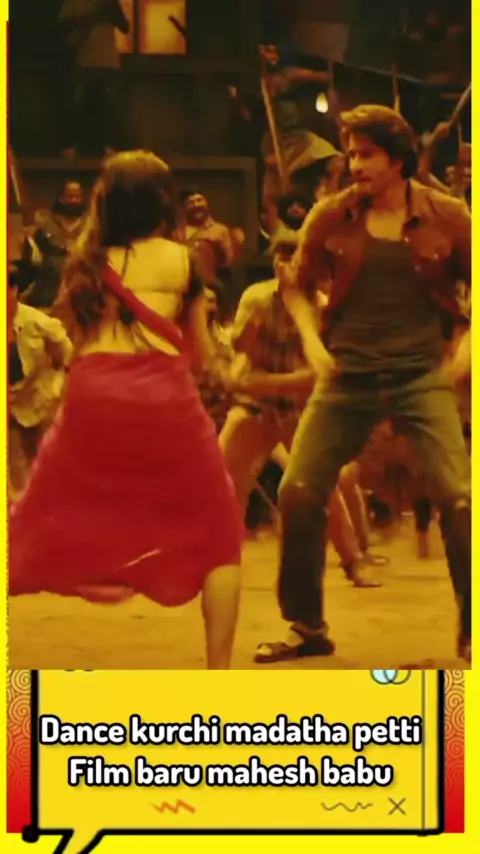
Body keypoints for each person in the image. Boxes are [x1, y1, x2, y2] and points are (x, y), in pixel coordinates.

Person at [9, 151, 243, 671]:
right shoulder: (182, 260)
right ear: (163, 202)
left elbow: (73, 337)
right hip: (164, 394)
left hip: (93, 392)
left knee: (34, 515)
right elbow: (203, 352)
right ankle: (220, 676)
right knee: (221, 535)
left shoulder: (85, 261)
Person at [255, 105, 471, 665]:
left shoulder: (448, 216)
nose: (354, 165)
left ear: (397, 160)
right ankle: (307, 626)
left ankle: (472, 628)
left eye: (366, 154)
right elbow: (295, 287)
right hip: (347, 374)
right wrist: (313, 344)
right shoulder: (332, 215)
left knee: (458, 496)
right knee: (299, 490)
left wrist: (466, 350)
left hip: (420, 373)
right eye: (351, 153)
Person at [221, 233, 384, 588]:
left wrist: (264, 382)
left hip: (299, 407)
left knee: (322, 486)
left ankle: (353, 561)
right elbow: (241, 356)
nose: (285, 266)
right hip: (256, 407)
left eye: (293, 259)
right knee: (224, 476)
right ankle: (223, 558)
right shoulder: (257, 298)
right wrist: (250, 374)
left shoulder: (323, 308)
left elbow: (319, 375)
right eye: (281, 258)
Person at [8, 261, 73, 500]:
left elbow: (66, 354)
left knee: (49, 459)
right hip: (10, 409)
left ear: (14, 290)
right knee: (17, 473)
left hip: (41, 400)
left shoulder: (38, 322)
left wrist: (58, 382)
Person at [59, 0, 129, 157]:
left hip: (108, 61)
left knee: (110, 107)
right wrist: (87, 19)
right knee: (78, 105)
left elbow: (125, 27)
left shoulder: (110, 3)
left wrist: (111, 9)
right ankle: (74, 146)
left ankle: (110, 147)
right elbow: (62, 27)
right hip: (84, 61)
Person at [21, 180, 87, 311]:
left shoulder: (90, 228)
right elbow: (31, 265)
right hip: (46, 300)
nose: (74, 201)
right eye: (70, 197)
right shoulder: (43, 228)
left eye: (77, 197)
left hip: (81, 302)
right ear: (61, 199)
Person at [176, 187, 235, 286]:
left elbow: (228, 263)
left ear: (206, 202)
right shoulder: (176, 233)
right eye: (191, 203)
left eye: (199, 200)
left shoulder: (220, 231)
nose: (196, 205)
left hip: (209, 287)